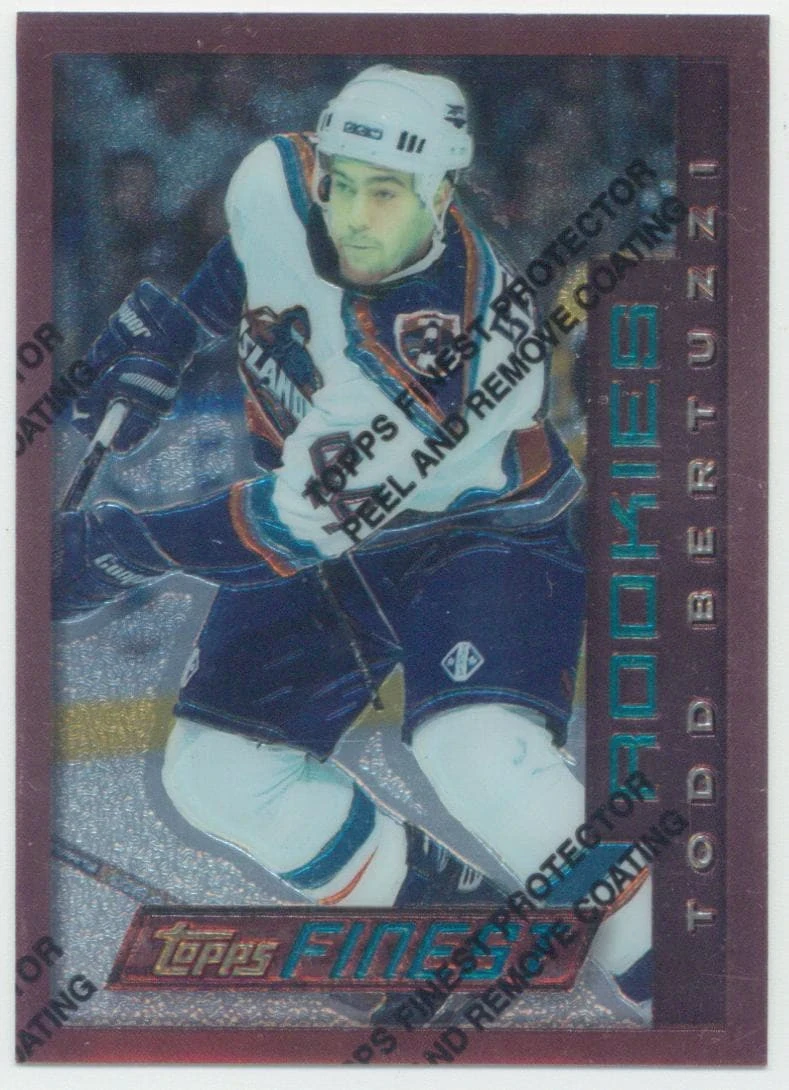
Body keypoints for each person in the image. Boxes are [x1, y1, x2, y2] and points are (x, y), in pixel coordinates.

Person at [54, 65, 651, 1015]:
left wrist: (115, 548)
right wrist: (178, 329)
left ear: (442, 196)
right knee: (220, 773)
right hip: (333, 542)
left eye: (388, 194)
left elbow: (282, 531)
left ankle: (680, 981)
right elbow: (253, 245)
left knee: (479, 755)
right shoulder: (282, 177)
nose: (354, 217)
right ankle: (438, 927)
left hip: (477, 539)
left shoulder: (447, 354)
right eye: (342, 184)